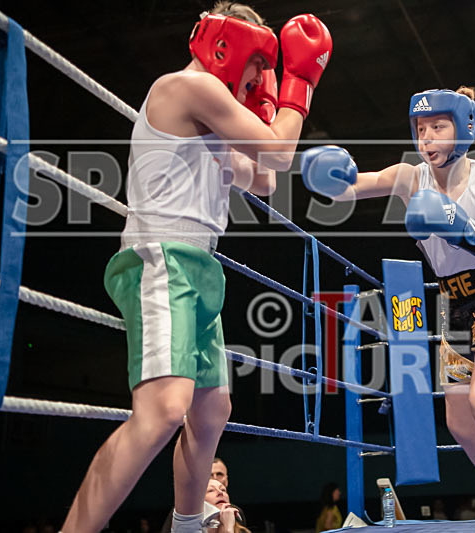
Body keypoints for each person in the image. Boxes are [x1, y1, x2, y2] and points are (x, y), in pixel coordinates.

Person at [60, 3, 332, 532]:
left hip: (197, 267)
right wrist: (300, 83)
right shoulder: (188, 88)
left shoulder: (213, 116)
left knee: (211, 413)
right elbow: (277, 155)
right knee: (163, 410)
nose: (260, 76)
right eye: (260, 64)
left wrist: (265, 102)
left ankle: (188, 527)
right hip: (161, 258)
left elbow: (265, 181)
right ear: (230, 47)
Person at [300, 87, 475, 532]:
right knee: (462, 424)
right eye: (421, 130)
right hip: (453, 307)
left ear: (463, 127)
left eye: (438, 127)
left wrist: (466, 231)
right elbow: (351, 190)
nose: (428, 138)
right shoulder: (407, 177)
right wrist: (328, 178)